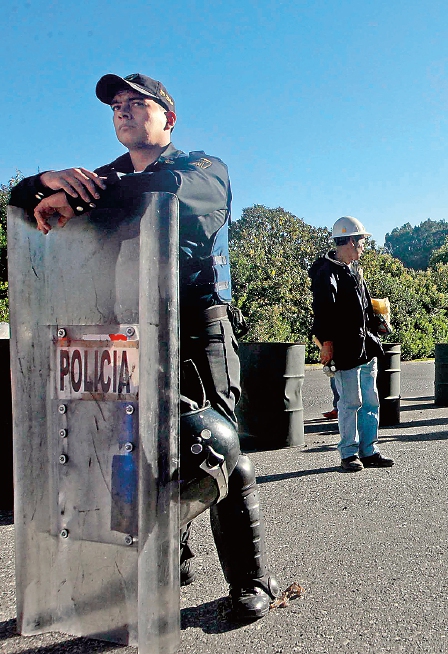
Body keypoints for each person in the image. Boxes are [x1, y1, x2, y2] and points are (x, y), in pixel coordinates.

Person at [9, 73, 280, 620]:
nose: (123, 112)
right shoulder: (103, 178)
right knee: (128, 448)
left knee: (213, 448)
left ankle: (252, 579)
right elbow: (18, 202)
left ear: (168, 119)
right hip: (124, 331)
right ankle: (167, 561)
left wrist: (78, 196)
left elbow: (178, 199)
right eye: (116, 107)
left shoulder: (203, 167)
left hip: (197, 327)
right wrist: (45, 180)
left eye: (137, 104)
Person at [309, 216, 394, 472]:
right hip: (345, 348)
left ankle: (369, 450)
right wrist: (326, 343)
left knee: (370, 400)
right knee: (350, 402)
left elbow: (364, 305)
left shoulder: (354, 269)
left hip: (365, 345)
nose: (363, 246)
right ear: (348, 240)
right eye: (361, 241)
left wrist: (378, 321)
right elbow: (323, 311)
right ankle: (348, 454)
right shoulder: (327, 272)